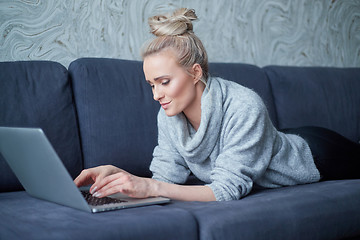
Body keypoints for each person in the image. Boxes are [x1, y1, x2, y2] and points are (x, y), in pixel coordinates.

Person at [74, 8, 360, 202]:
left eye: (164, 81)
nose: (156, 95)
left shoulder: (245, 105)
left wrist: (151, 186)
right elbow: (165, 178)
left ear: (195, 73)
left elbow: (225, 191)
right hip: (276, 138)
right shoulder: (169, 113)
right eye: (152, 85)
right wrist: (120, 175)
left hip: (317, 154)